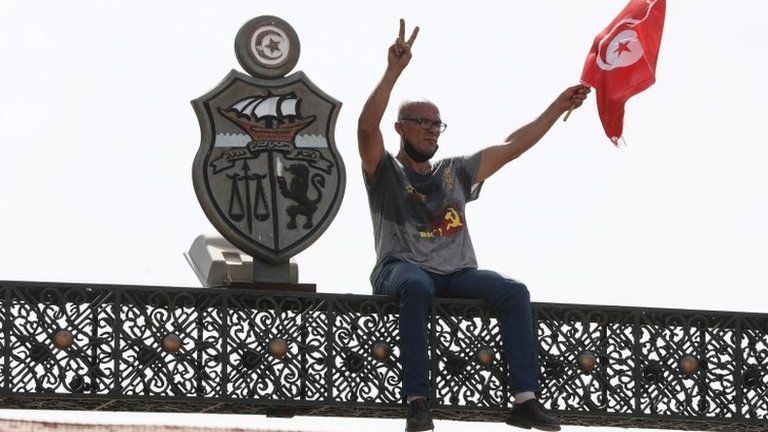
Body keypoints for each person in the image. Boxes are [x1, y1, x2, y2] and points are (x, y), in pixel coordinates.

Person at [357, 19, 589, 432]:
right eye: (421, 122)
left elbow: (512, 146)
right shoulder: (386, 171)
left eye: (436, 124)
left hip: (456, 273)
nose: (430, 130)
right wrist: (393, 72)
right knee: (414, 286)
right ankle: (417, 402)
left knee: (513, 291)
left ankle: (525, 401)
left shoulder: (455, 172)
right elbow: (365, 129)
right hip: (402, 267)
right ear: (401, 128)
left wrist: (557, 107)